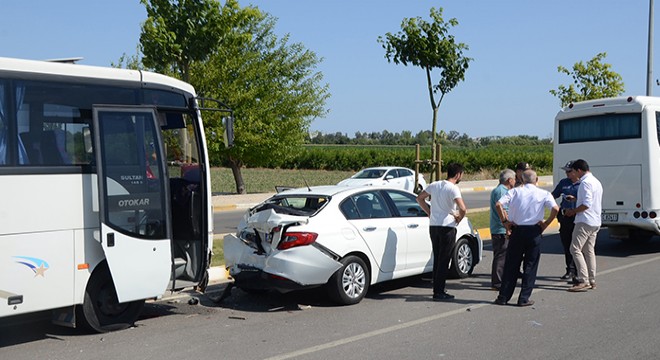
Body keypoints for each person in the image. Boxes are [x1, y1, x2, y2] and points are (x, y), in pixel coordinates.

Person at [494, 169, 559, 307]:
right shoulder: (543, 193)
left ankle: (503, 297)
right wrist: (546, 223)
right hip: (534, 230)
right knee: (530, 265)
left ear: (522, 180)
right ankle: (524, 298)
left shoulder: (515, 191)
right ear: (537, 180)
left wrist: (505, 222)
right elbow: (555, 209)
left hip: (517, 230)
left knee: (511, 265)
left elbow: (498, 204)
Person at [416, 163, 467, 301]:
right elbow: (463, 208)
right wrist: (459, 218)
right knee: (444, 260)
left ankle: (437, 288)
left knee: (437, 258)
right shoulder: (453, 189)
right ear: (457, 175)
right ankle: (439, 291)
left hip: (434, 226)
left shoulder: (435, 185)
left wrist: (429, 212)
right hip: (447, 226)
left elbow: (419, 198)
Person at [564, 159, 603, 292]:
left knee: (574, 249)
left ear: (579, 170)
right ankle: (592, 279)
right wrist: (576, 200)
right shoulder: (596, 181)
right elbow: (589, 200)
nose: (573, 174)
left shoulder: (585, 183)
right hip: (595, 220)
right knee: (588, 251)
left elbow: (586, 204)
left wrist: (573, 211)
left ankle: (583, 280)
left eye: (574, 171)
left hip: (584, 220)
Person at [551, 160, 580, 280]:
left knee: (577, 245)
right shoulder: (564, 183)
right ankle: (570, 270)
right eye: (566, 171)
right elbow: (553, 195)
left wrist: (575, 199)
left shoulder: (583, 184)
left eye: (569, 171)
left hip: (578, 217)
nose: (567, 173)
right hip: (565, 217)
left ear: (576, 171)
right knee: (567, 243)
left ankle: (579, 271)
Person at [489, 168, 516, 290]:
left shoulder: (502, 190)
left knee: (503, 255)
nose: (515, 182)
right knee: (501, 255)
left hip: (501, 227)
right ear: (510, 180)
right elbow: (503, 210)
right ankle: (498, 282)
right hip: (500, 229)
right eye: (514, 179)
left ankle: (502, 279)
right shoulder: (501, 191)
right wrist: (507, 225)